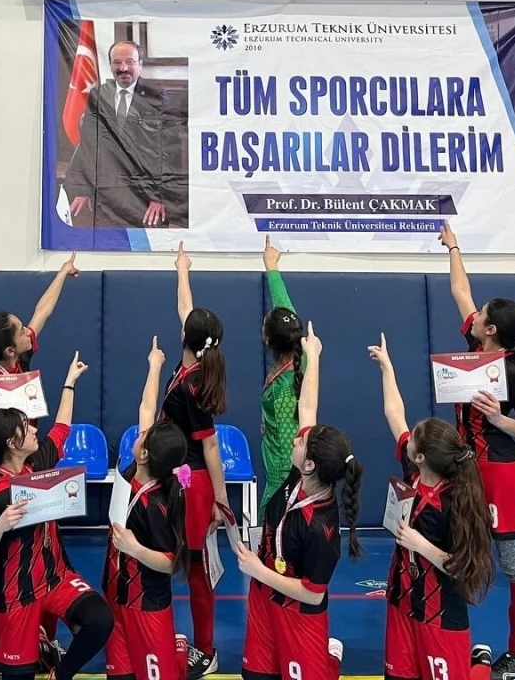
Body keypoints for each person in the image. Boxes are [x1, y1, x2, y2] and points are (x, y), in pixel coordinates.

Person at [441, 223, 515, 680]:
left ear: (492, 329)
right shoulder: (476, 345)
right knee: (452, 551)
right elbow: (460, 289)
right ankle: (447, 642)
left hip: (501, 473)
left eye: (483, 313)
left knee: (514, 563)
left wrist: (498, 418)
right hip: (463, 467)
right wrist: (453, 245)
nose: (475, 314)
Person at [0, 254, 81, 673]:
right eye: (20, 330)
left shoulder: (23, 362)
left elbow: (42, 312)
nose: (29, 331)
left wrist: (61, 274)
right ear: (9, 348)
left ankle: (44, 637)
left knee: (43, 551)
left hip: (32, 466)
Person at [0, 353, 113, 680]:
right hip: (17, 593)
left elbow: (61, 429)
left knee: (100, 620)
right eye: (27, 428)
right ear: (11, 443)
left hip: (56, 578)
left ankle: (60, 674)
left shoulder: (38, 464)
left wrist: (70, 383)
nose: (34, 429)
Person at [234, 321, 358, 680]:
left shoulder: (322, 528)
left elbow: (313, 595)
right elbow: (308, 405)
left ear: (310, 464)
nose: (294, 439)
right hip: (266, 596)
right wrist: (313, 356)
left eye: (301, 442)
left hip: (299, 610)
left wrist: (258, 571)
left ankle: (329, 659)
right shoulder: (298, 475)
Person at [368, 332, 497, 680]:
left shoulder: (457, 501)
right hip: (402, 601)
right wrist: (387, 368)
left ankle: (480, 664)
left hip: (441, 614)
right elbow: (394, 413)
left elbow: (465, 568)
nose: (407, 437)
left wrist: (420, 544)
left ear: (423, 456)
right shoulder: (413, 471)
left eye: (414, 437)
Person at [160, 244, 229, 680]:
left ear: (188, 339)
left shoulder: (194, 386)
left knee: (198, 571)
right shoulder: (192, 364)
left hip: (194, 483)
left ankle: (206, 649)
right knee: (173, 559)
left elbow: (211, 447)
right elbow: (185, 308)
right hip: (180, 478)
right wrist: (182, 268)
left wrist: (220, 500)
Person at [104, 337, 191, 680]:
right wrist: (154, 366)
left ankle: (177, 652)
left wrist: (134, 548)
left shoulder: (156, 505)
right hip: (115, 595)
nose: (140, 431)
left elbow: (170, 562)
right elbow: (146, 407)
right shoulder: (135, 468)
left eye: (144, 435)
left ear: (145, 454)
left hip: (147, 606)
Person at [63, 38, 186, 229]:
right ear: (110, 65)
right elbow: (89, 146)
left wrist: (160, 197)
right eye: (117, 62)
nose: (123, 68)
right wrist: (83, 189)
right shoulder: (99, 95)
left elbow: (171, 153)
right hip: (106, 197)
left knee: (144, 247)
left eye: (130, 62)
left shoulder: (158, 98)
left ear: (140, 64)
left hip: (145, 201)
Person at [258, 235, 307, 522]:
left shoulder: (283, 390)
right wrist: (272, 267)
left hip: (282, 482)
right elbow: (286, 309)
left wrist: (277, 495)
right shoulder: (302, 355)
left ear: (268, 340)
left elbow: (289, 448)